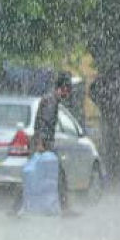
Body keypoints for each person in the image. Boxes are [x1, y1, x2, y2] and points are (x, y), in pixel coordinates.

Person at [29, 71, 78, 216]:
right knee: (57, 176)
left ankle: (18, 208)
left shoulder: (51, 100)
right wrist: (41, 144)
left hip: (43, 143)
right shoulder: (51, 101)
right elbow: (45, 123)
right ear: (62, 88)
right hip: (44, 145)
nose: (68, 94)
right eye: (67, 90)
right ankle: (64, 208)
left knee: (34, 175)